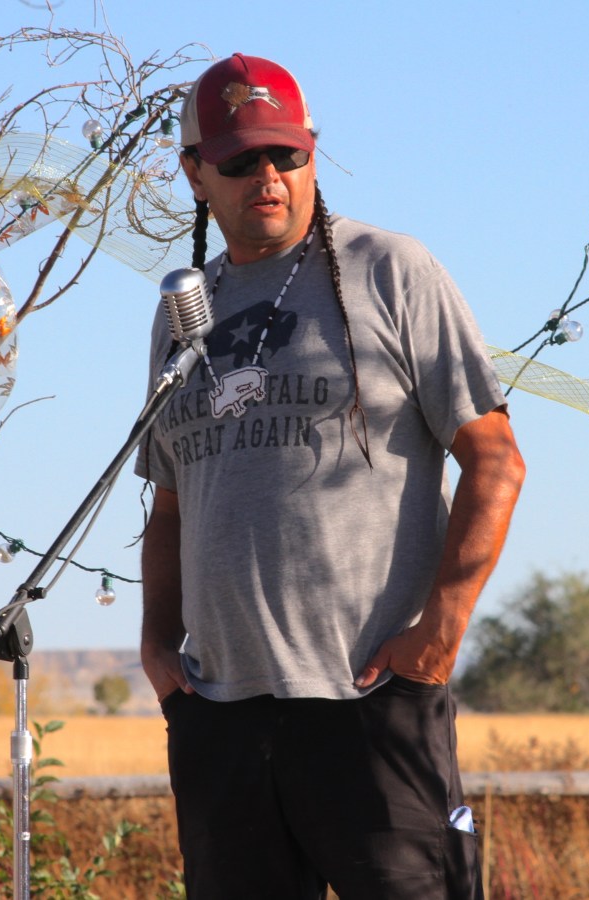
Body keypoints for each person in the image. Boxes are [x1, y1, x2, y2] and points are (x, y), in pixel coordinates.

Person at [136, 52, 525, 900]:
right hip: (220, 717)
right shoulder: (180, 315)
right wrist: (158, 645)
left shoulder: (390, 270)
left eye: (287, 154)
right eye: (241, 160)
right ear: (195, 173)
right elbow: (169, 504)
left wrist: (441, 630)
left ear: (312, 153)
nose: (268, 176)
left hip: (369, 702)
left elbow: (496, 460)